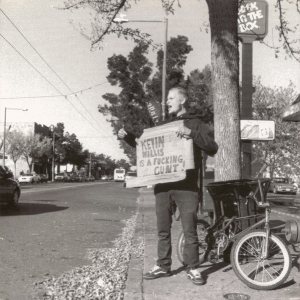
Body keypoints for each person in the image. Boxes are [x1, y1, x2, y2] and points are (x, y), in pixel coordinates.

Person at [118, 86, 218, 285]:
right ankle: (163, 266)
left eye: (171, 98)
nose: (167, 101)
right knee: (162, 228)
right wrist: (128, 137)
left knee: (189, 229)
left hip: (187, 186)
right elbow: (147, 148)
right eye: (167, 99)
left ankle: (193, 268)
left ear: (182, 100)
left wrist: (191, 133)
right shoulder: (162, 125)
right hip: (163, 186)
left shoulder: (195, 123)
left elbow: (212, 147)